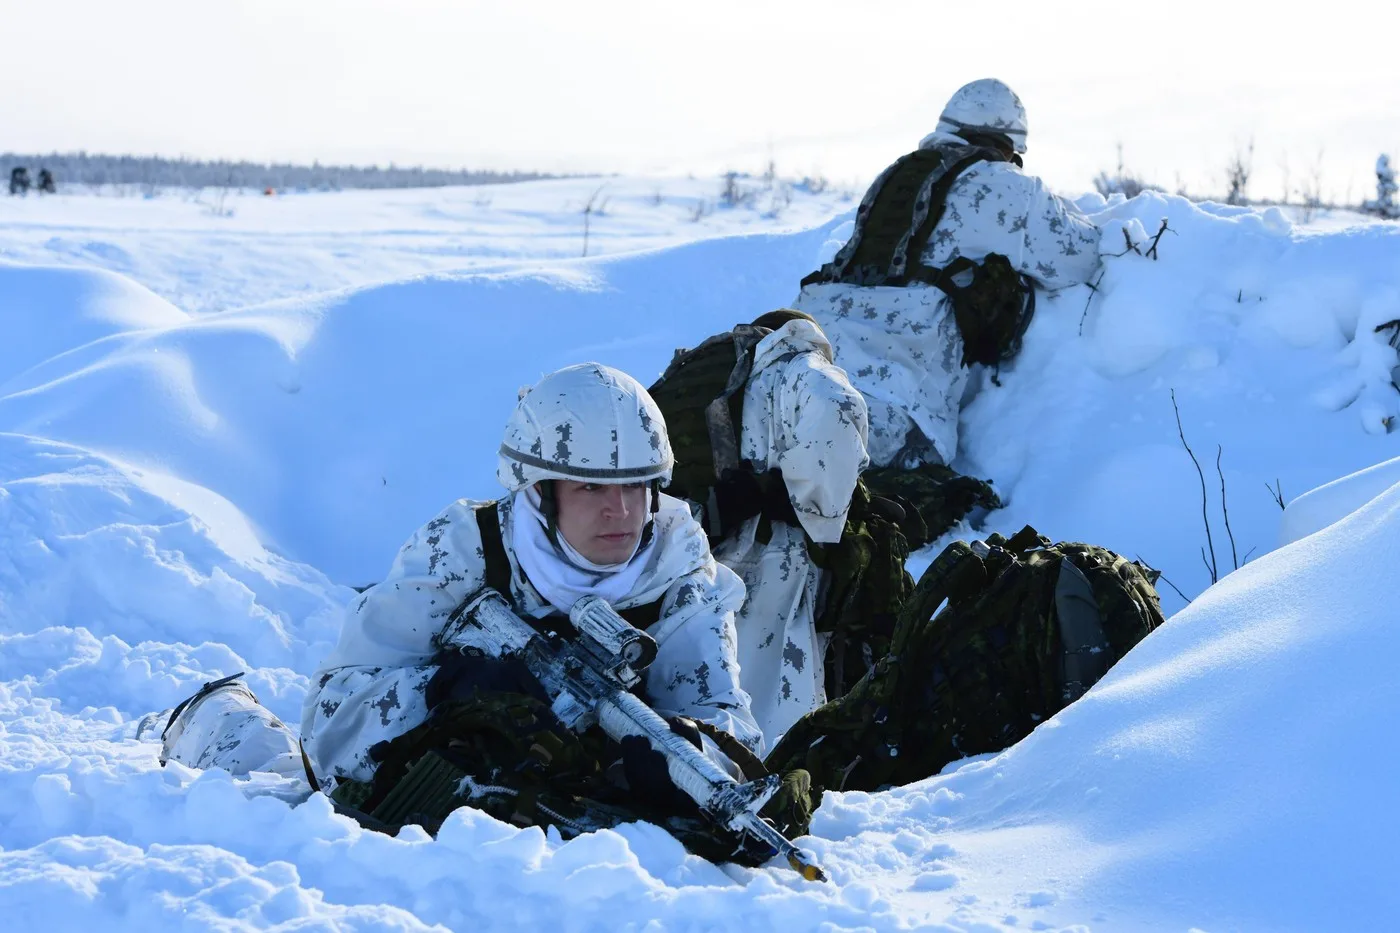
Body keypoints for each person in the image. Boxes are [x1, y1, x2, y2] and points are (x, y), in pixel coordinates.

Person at [160, 363, 812, 859]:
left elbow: (730, 727)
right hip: (435, 796)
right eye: (591, 487)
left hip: (562, 802)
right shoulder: (463, 554)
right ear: (540, 490)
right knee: (290, 794)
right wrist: (452, 692)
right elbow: (329, 727)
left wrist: (677, 749)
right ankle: (211, 716)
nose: (621, 511)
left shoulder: (680, 568)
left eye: (636, 486)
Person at [792, 78, 1102, 528]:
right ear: (1009, 144)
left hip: (812, 357)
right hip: (891, 396)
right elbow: (1081, 256)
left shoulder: (896, 176)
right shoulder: (1005, 185)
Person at [648, 309, 873, 748]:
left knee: (710, 674)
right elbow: (840, 407)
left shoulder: (710, 369)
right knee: (776, 698)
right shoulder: (797, 364)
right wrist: (818, 511)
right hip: (773, 553)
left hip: (694, 545)